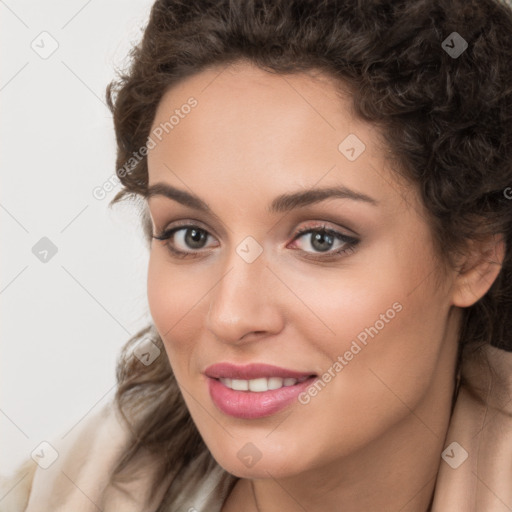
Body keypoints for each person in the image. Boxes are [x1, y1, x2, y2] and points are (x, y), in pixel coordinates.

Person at [2, 0, 512, 510]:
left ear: (472, 256)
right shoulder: (66, 491)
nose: (231, 316)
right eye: (192, 236)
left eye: (320, 239)